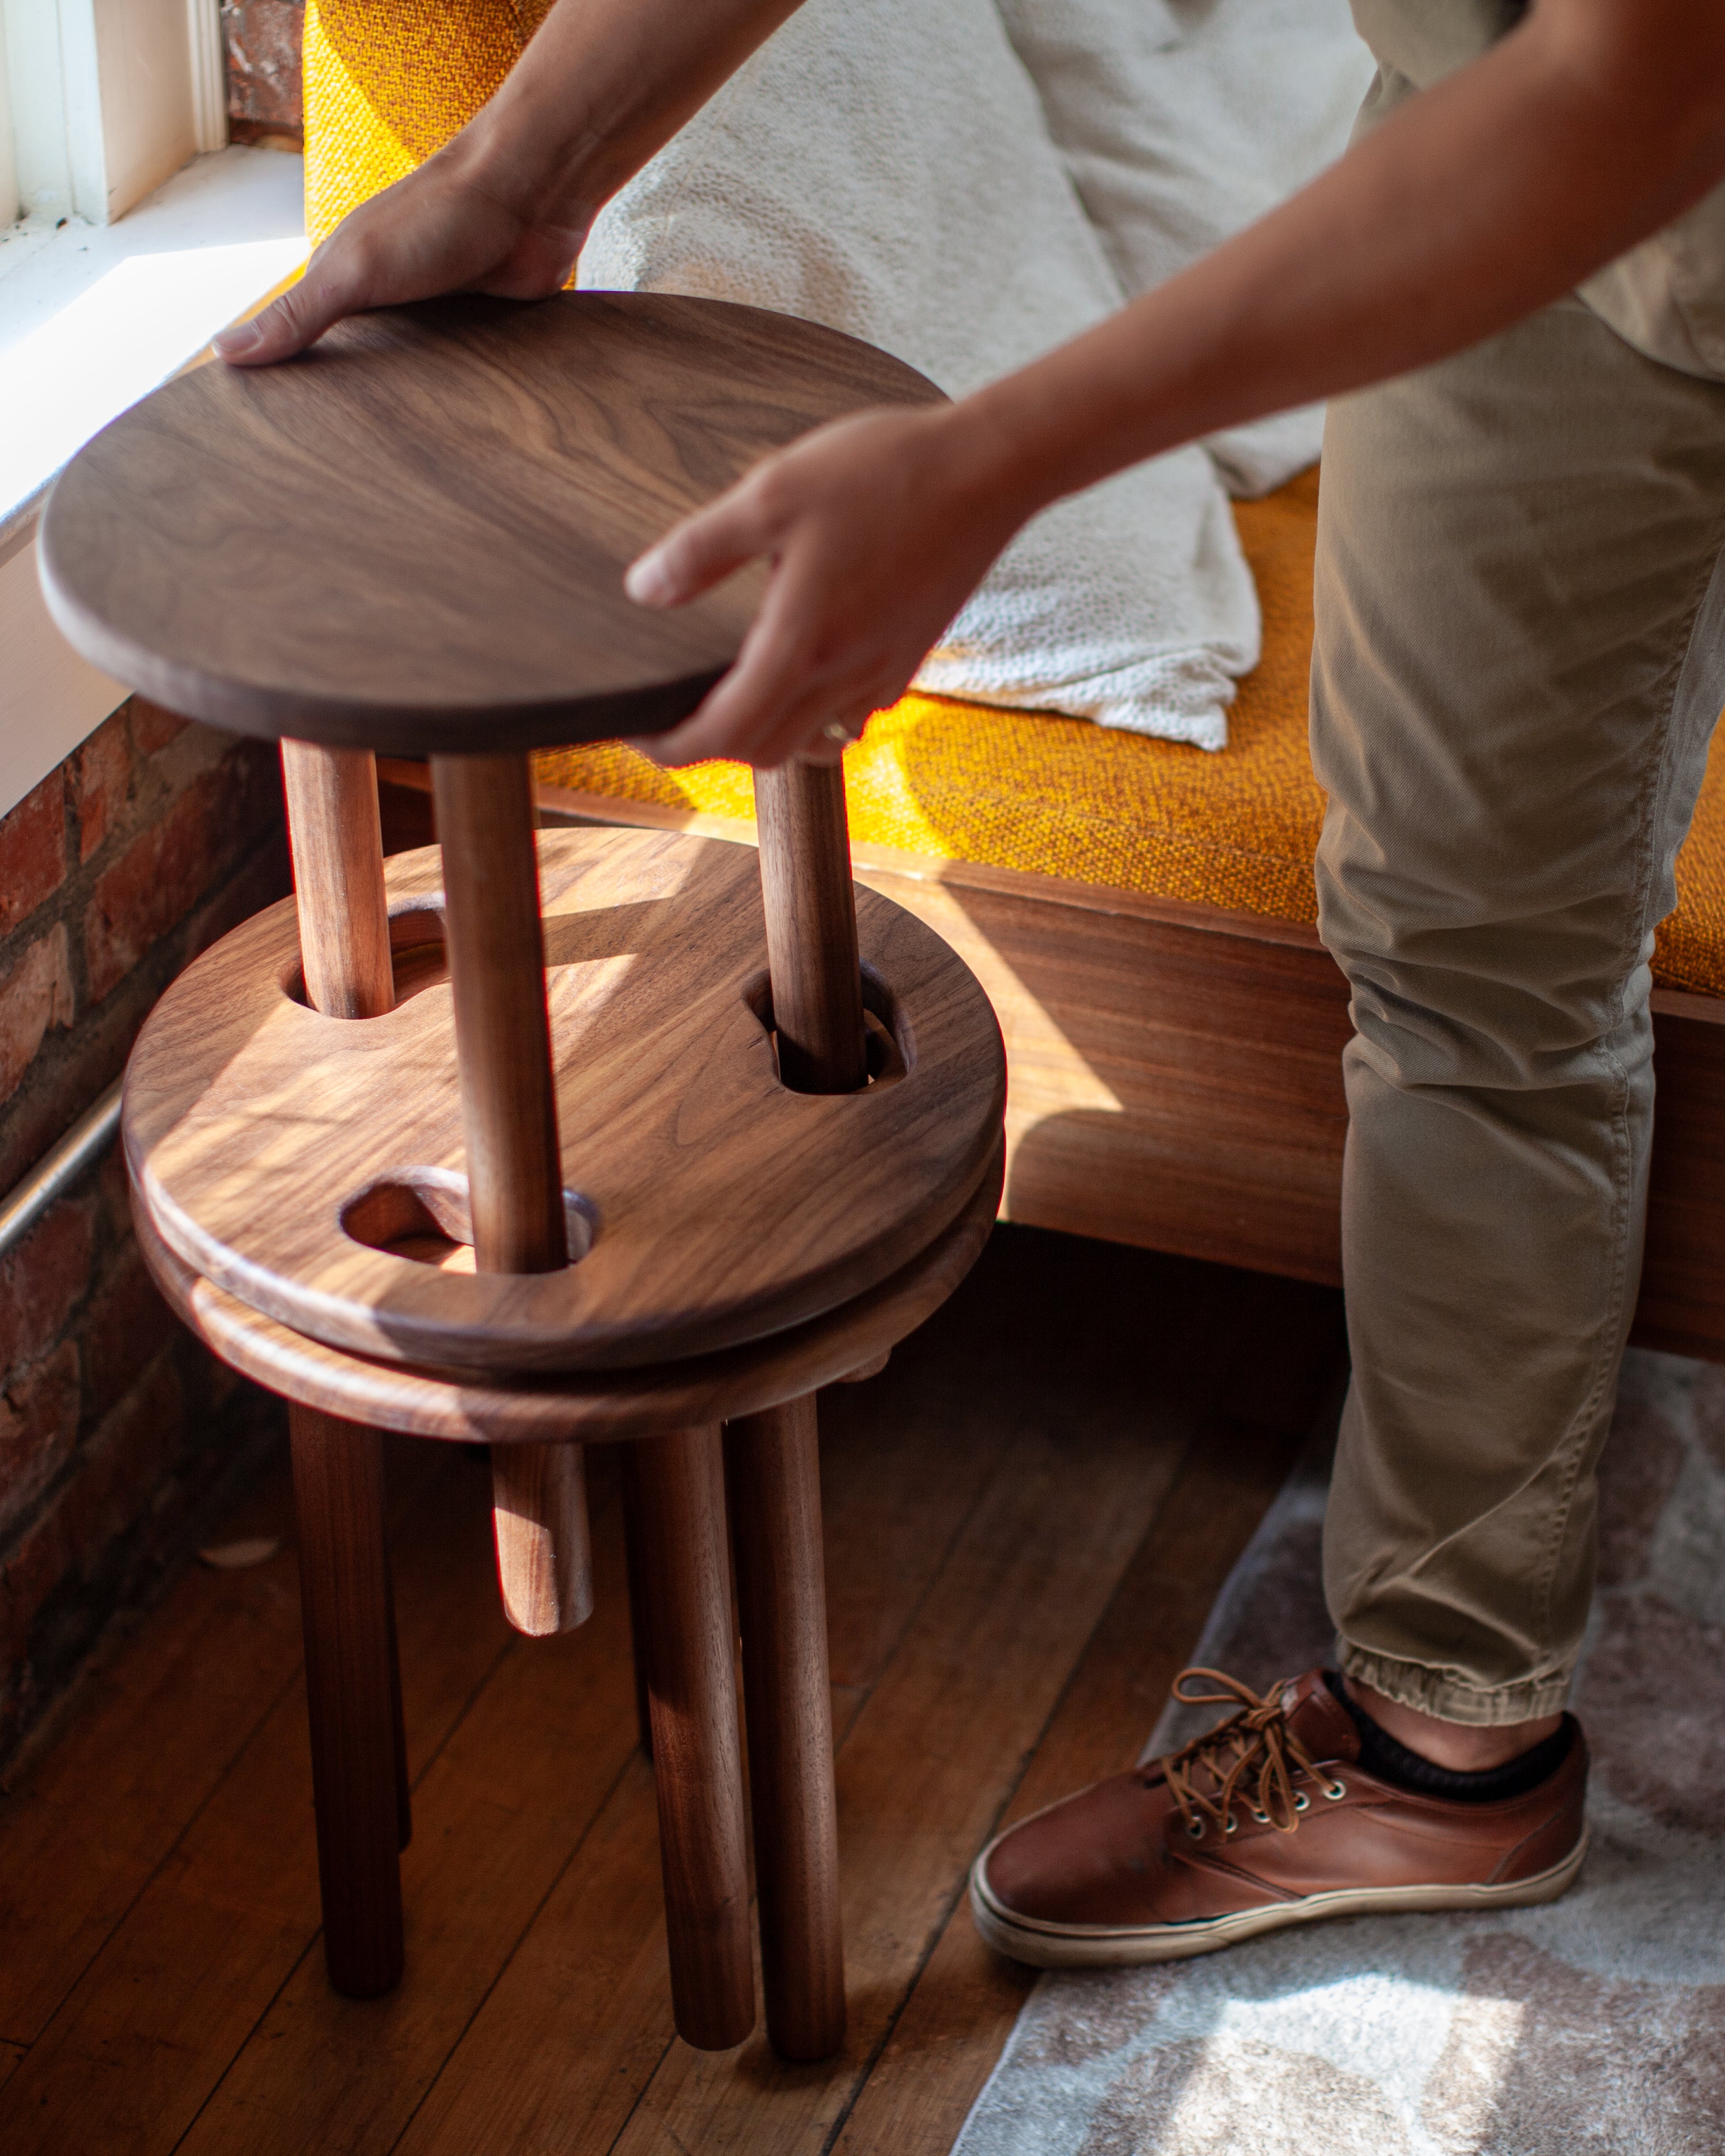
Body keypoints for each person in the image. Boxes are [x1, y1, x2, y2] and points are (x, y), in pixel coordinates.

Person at [218, 0, 1725, 1965]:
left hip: (1631, 97)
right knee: (1461, 944)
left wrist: (979, 462)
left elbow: (1650, 82)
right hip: (1523, 137)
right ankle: (1441, 1752)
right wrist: (522, 176)